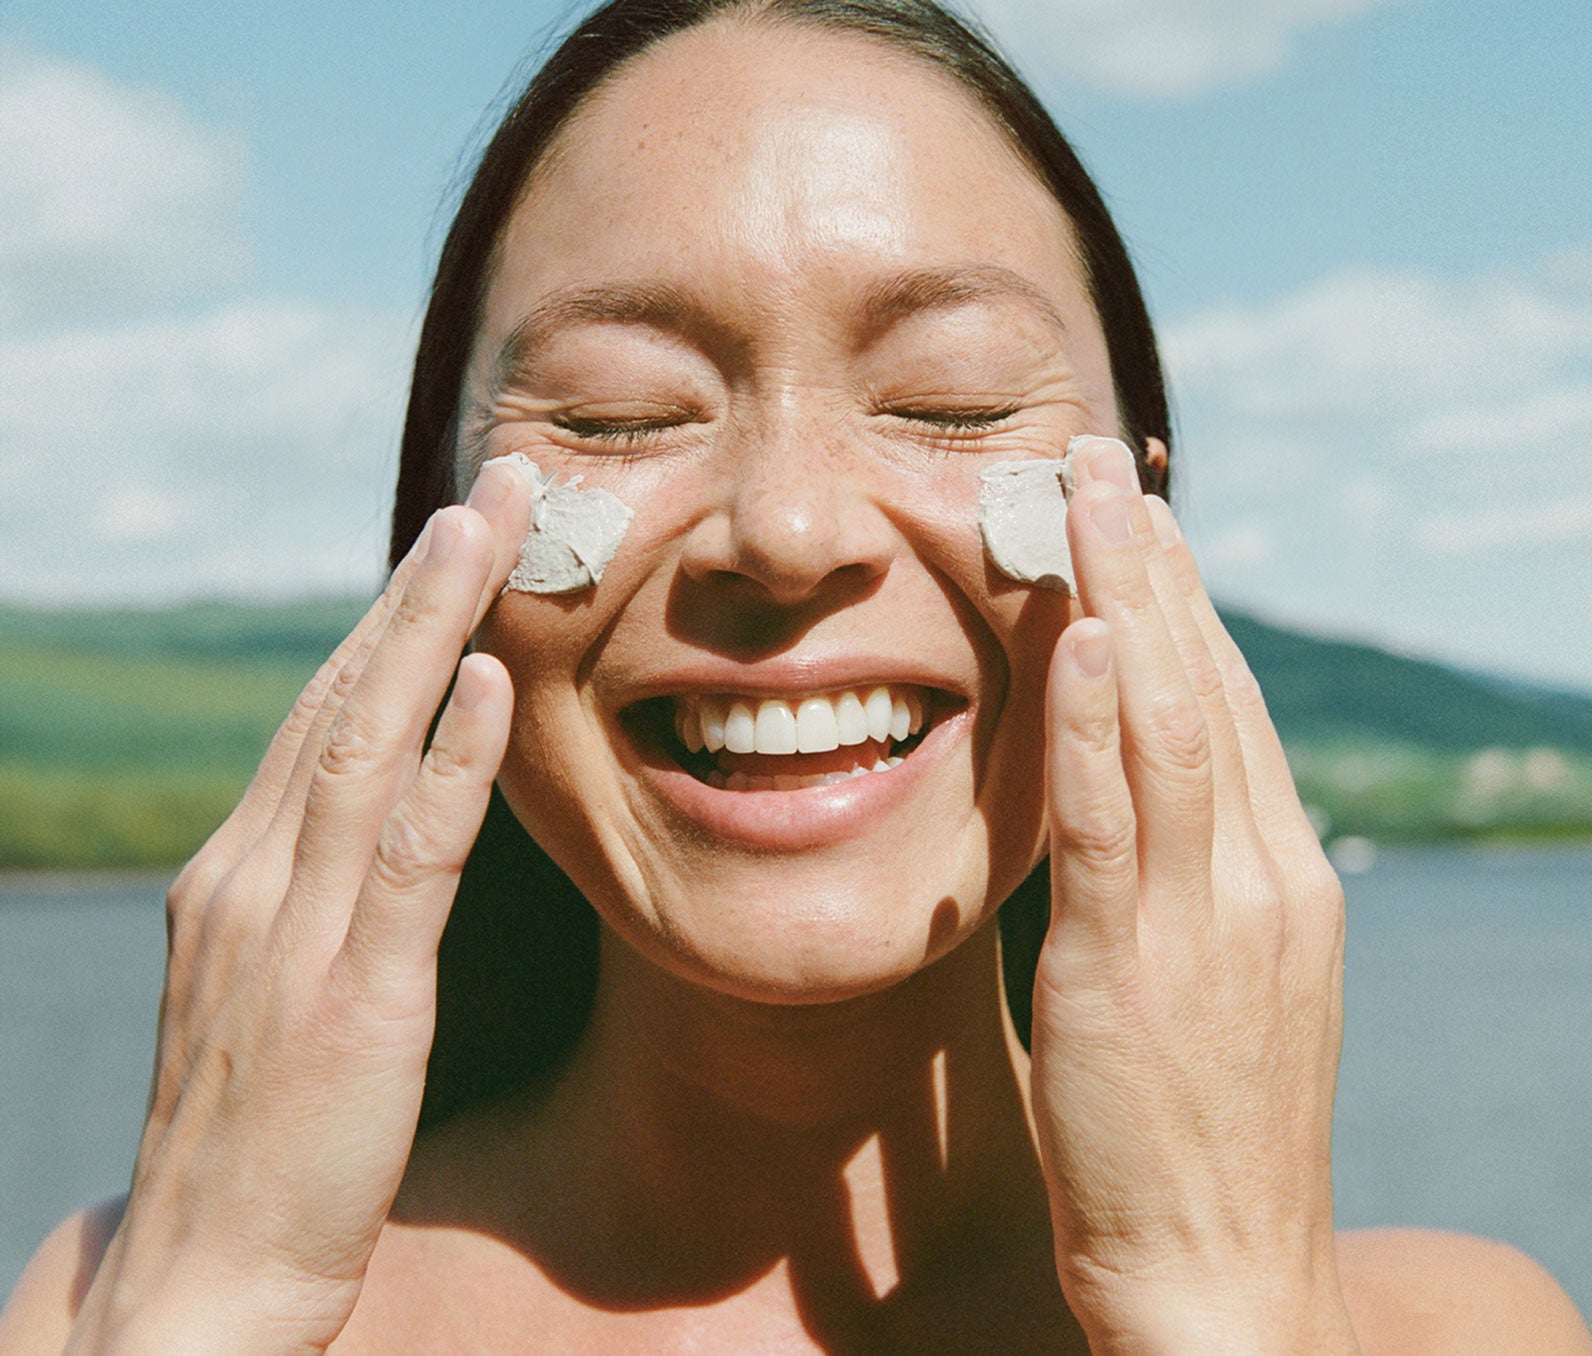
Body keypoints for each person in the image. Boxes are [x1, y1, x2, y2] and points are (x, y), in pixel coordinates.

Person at [3, 1, 1588, 1351]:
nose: (787, 527)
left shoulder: (1466, 1329)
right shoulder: (120, 1303)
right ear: (446, 556)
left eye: (956, 404)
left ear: (1147, 517)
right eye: (620, 414)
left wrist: (1223, 1315)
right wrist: (209, 1311)